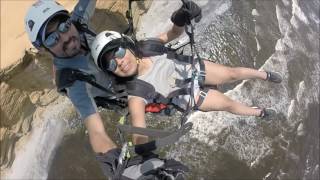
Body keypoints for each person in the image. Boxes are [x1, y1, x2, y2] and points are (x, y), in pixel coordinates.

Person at [24, 0, 191, 179]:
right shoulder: (72, 79)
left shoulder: (78, 23)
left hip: (127, 63)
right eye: (51, 38)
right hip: (125, 95)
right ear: (41, 48)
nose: (65, 37)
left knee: (146, 48)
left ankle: (179, 26)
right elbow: (96, 130)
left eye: (64, 25)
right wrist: (116, 165)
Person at [90, 1, 283, 145]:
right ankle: (259, 112)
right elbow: (139, 129)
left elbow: (173, 33)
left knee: (231, 73)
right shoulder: (135, 93)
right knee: (227, 103)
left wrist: (181, 16)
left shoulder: (147, 46)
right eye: (111, 65)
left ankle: (263, 74)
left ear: (127, 46)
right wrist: (142, 153)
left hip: (193, 70)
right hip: (190, 96)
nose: (120, 62)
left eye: (119, 53)